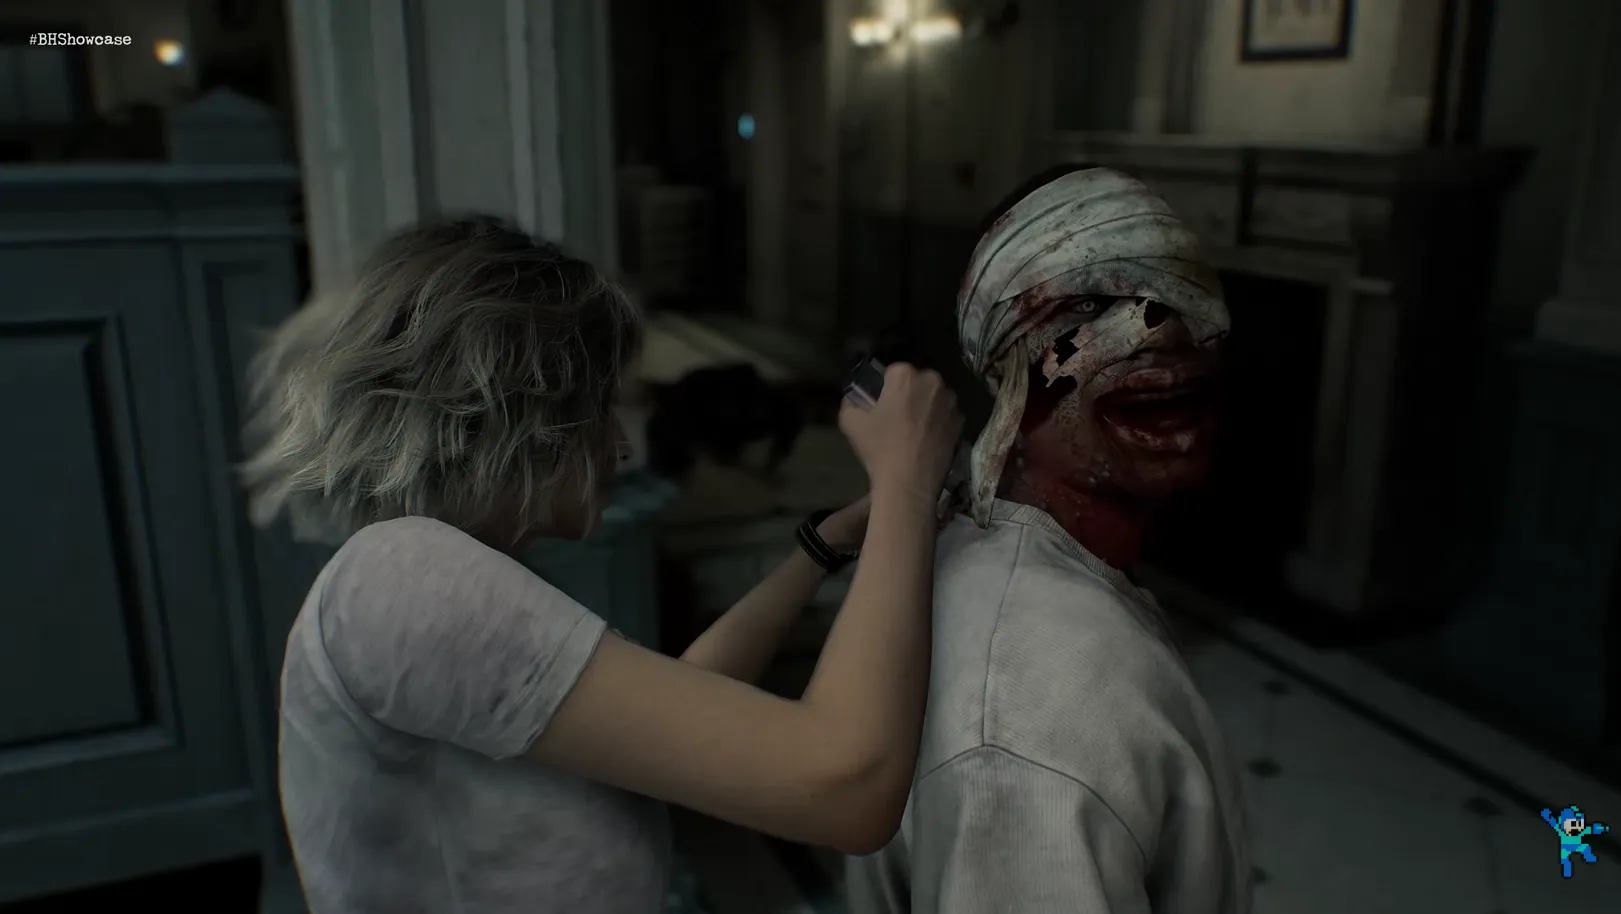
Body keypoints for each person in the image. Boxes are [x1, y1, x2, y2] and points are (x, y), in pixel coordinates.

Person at [244, 215, 963, 913]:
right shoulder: (409, 577)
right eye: (602, 407)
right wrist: (906, 476)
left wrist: (823, 545)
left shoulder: (418, 574)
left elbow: (676, 716)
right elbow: (848, 792)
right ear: (524, 413)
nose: (619, 443)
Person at [845, 166, 1251, 914]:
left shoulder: (1034, 572)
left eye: (1178, 285)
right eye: (1091, 304)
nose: (1162, 330)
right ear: (1005, 365)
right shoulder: (1025, 727)